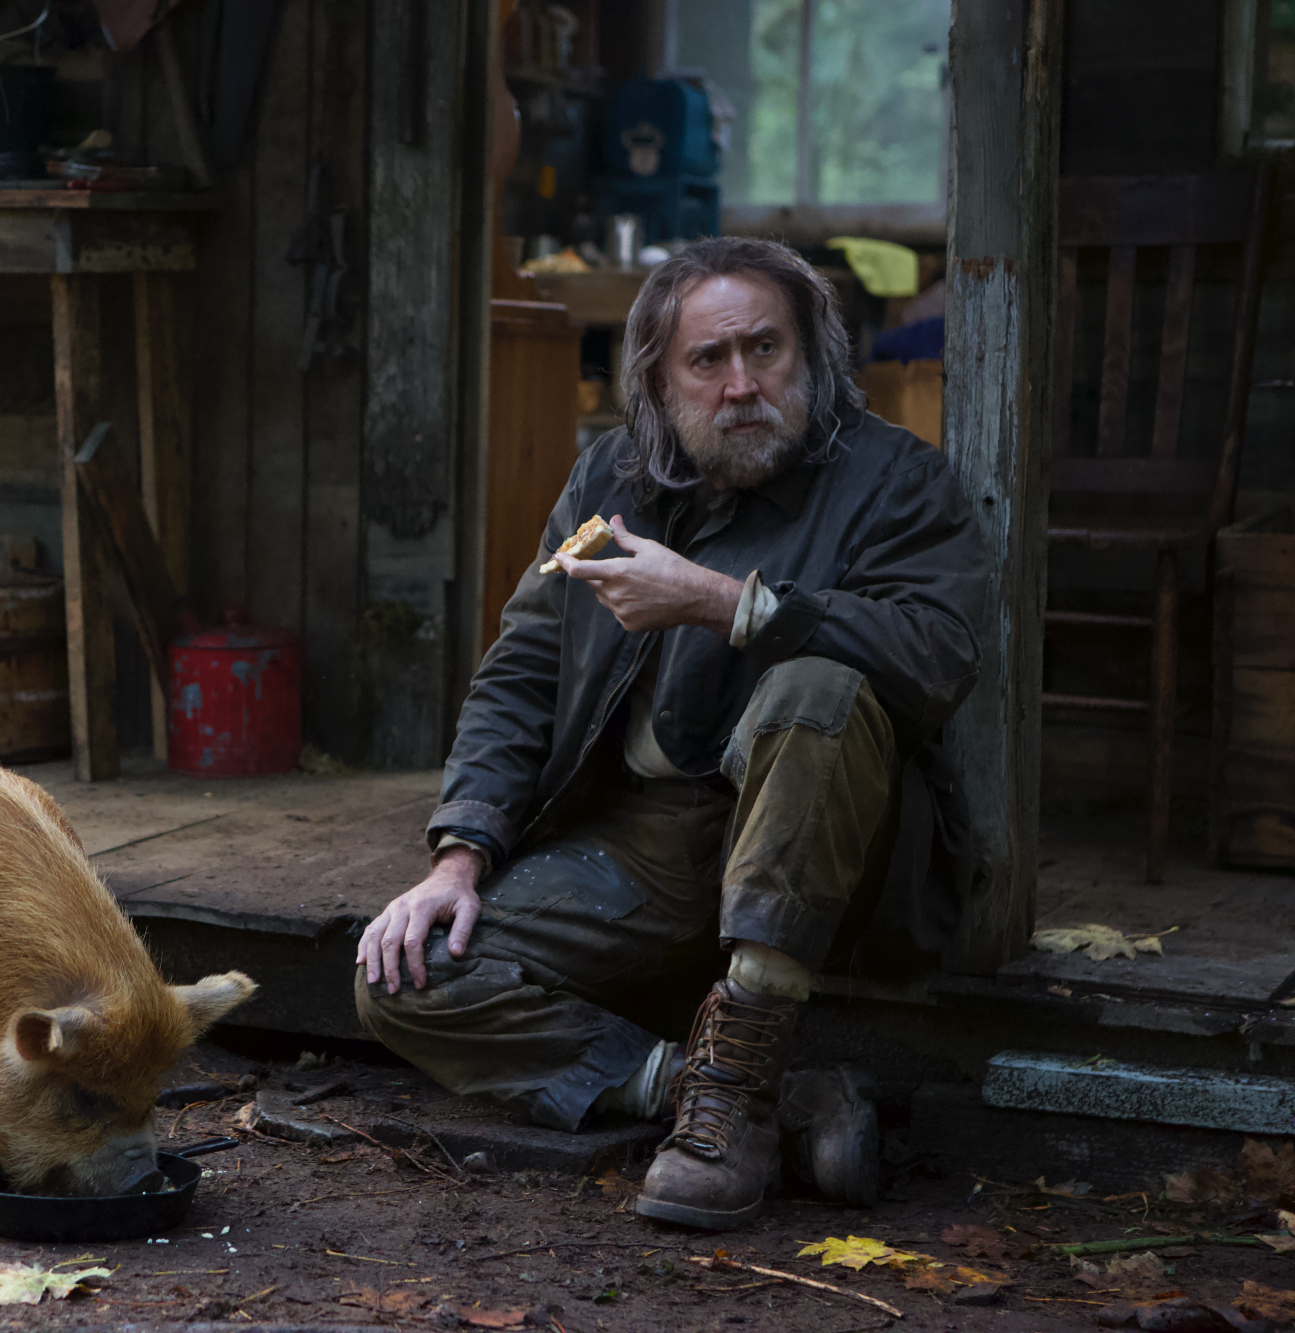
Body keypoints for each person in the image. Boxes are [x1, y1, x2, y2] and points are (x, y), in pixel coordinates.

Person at [353, 237, 988, 1231]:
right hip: (644, 850)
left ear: (812, 357)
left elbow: (934, 656)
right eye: (707, 361)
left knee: (813, 687)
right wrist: (458, 854)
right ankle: (723, 1086)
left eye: (765, 351)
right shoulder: (610, 476)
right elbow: (520, 668)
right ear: (655, 380)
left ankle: (726, 1109)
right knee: (403, 973)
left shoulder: (894, 480)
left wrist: (722, 603)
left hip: (831, 849)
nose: (741, 385)